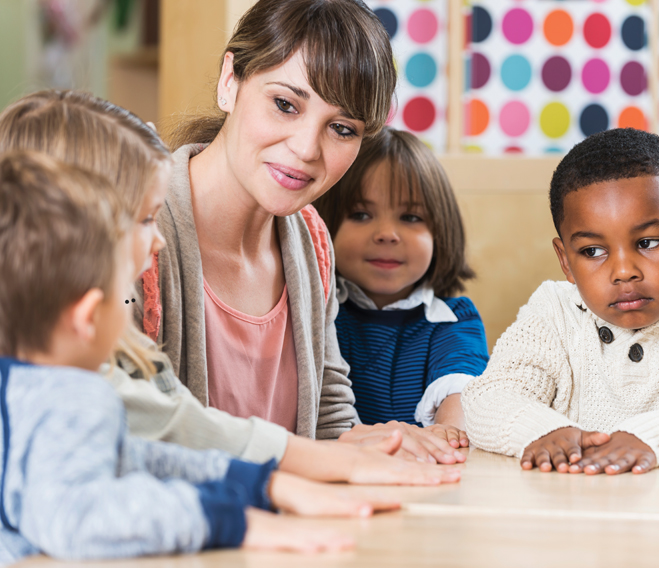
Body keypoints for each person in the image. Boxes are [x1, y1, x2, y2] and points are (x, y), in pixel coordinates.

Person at [0, 89, 463, 484]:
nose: (157, 237)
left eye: (342, 127)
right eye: (143, 219)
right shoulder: (51, 372)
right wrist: (274, 488)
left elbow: (166, 400)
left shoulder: (112, 309)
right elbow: (163, 423)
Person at [0, 151, 407, 563]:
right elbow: (78, 520)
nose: (134, 303)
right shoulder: (73, 398)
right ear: (88, 318)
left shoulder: (27, 388)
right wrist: (226, 520)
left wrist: (254, 484)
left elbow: (138, 459)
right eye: (123, 295)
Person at [140, 0, 464, 464]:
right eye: (285, 104)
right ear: (230, 81)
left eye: (341, 128)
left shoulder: (311, 237)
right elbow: (130, 422)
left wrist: (372, 442)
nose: (306, 148)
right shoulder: (133, 229)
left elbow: (328, 414)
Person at [461, 128, 659, 475]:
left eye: (648, 242)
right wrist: (544, 431)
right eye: (592, 251)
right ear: (565, 260)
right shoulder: (553, 311)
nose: (624, 271)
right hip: (573, 513)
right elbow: (487, 399)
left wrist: (648, 437)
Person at [314, 127, 488, 443]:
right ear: (325, 224)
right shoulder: (317, 311)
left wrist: (447, 435)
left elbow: (461, 391)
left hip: (428, 470)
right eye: (361, 214)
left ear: (441, 232)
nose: (387, 234)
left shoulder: (454, 319)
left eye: (409, 218)